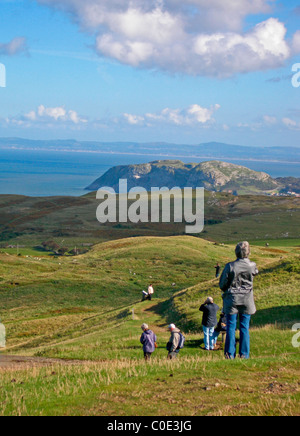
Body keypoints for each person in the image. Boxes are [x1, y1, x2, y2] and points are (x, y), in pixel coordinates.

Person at [219, 241, 259, 360]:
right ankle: (244, 355)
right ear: (248, 252)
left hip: (232, 299)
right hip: (247, 299)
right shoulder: (252, 265)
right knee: (244, 327)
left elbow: (222, 284)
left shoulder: (230, 266)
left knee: (230, 327)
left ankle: (229, 355)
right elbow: (255, 272)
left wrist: (227, 289)